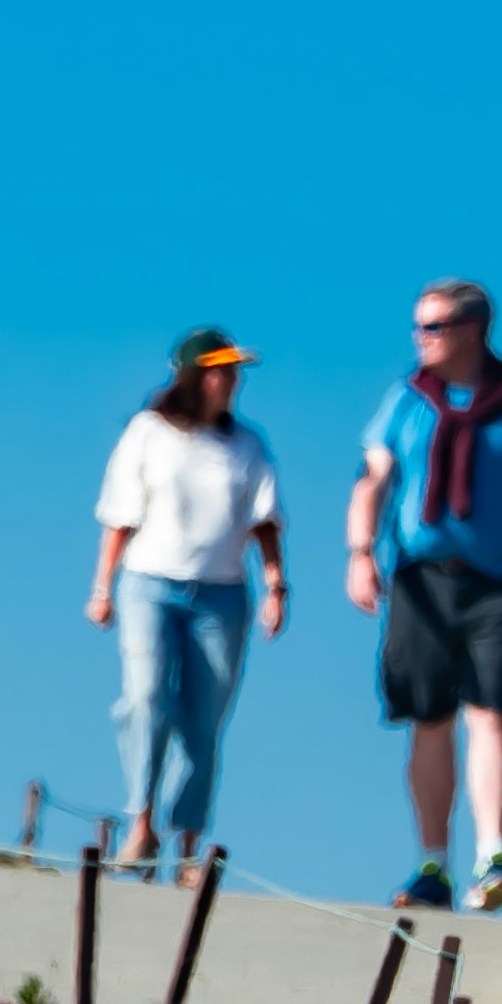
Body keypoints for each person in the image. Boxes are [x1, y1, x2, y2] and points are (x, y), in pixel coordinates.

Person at [343, 276, 502, 910]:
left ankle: (492, 857)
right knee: (430, 719)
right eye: (418, 326)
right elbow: (374, 479)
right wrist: (361, 554)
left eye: (434, 326)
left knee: (491, 711)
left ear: (472, 330)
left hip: (500, 582)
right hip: (420, 578)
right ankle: (432, 865)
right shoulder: (407, 400)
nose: (421, 338)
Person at [87, 329, 286, 869]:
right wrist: (102, 588)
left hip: (221, 596)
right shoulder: (149, 433)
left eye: (234, 373)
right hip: (149, 585)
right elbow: (120, 516)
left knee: (204, 719)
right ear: (195, 377)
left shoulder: (247, 445)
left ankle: (189, 844)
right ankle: (141, 821)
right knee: (147, 696)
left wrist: (275, 586)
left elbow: (264, 521)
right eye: (219, 371)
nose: (230, 382)